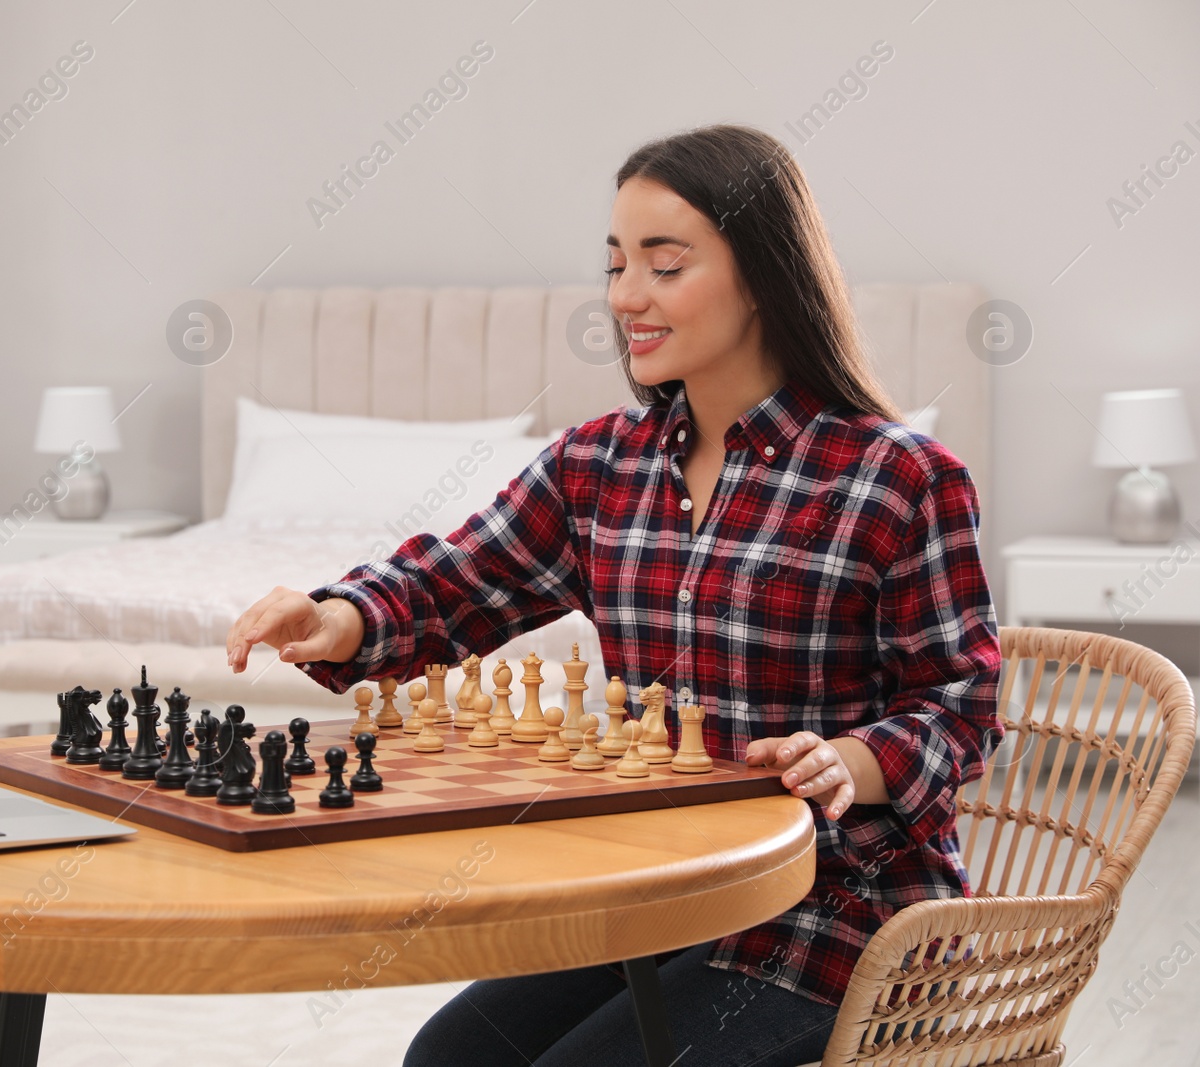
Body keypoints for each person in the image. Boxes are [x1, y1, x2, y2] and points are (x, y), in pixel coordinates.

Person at [224, 123, 1002, 1067]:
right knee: (447, 1057)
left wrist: (850, 758)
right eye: (615, 264)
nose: (626, 297)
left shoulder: (900, 477)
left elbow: (963, 710)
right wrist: (334, 616)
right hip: (661, 892)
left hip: (838, 913)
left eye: (665, 266)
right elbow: (458, 581)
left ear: (762, 275)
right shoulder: (599, 465)